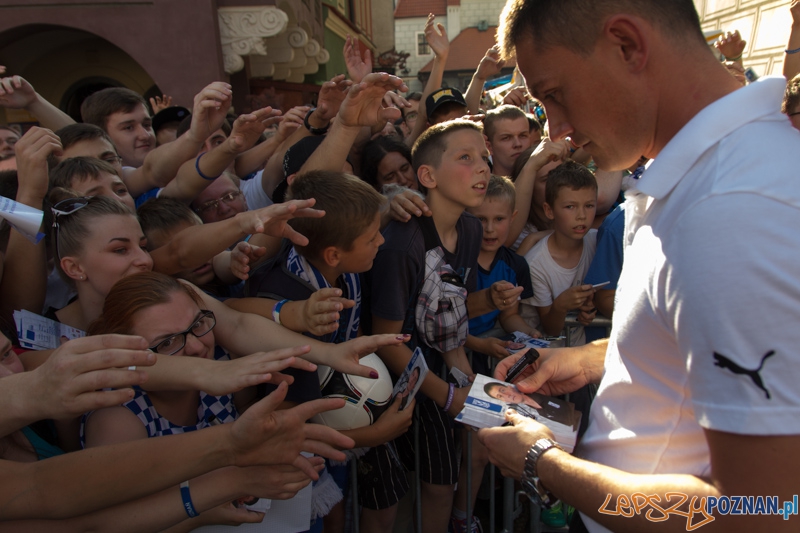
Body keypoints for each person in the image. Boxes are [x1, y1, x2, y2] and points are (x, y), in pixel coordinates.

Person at [478, 1, 800, 532]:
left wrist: (543, 463)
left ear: (626, 45)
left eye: (555, 94)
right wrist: (595, 359)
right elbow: (696, 344)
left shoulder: (733, 207)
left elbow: (762, 513)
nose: (556, 128)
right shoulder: (704, 179)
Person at [233, 170, 413, 533]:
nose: (381, 240)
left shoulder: (335, 264)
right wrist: (373, 436)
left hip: (329, 428)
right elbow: (284, 415)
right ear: (334, 254)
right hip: (291, 454)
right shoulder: (295, 303)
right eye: (372, 237)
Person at [365, 119, 491, 533]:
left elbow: (451, 310)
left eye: (484, 157)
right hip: (404, 378)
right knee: (437, 484)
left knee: (466, 461)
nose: (483, 167)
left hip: (445, 367)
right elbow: (386, 341)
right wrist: (450, 396)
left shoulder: (471, 228)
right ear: (428, 176)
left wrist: (466, 379)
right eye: (466, 157)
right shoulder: (402, 244)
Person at [465, 174, 537, 371]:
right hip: (450, 351)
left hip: (486, 352)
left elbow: (509, 315)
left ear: (512, 218)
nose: (490, 229)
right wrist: (478, 344)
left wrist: (528, 332)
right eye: (481, 219)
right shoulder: (456, 261)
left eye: (499, 219)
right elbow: (443, 322)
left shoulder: (516, 266)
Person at [523, 160, 598, 345]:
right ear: (549, 210)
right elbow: (550, 328)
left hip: (578, 351)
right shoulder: (536, 264)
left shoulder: (598, 241)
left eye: (589, 205)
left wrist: (590, 307)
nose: (581, 215)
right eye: (570, 207)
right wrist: (561, 305)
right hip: (544, 353)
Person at [483, 105, 534, 178]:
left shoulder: (544, 181)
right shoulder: (482, 184)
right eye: (506, 138)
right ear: (489, 147)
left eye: (523, 135)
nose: (518, 144)